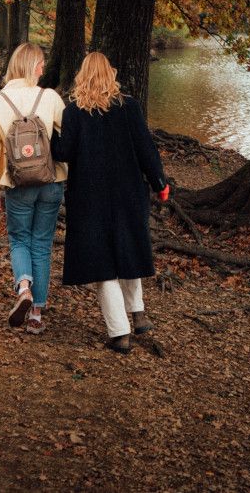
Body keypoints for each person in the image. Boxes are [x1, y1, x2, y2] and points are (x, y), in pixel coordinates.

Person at [51, 51, 169, 353]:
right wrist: (160, 183)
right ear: (110, 74)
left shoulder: (74, 111)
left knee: (102, 262)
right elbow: (146, 149)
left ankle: (120, 333)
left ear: (82, 75)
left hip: (90, 199)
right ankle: (138, 314)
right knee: (128, 249)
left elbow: (63, 153)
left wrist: (50, 135)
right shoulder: (128, 107)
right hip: (128, 193)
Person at [0, 42, 66, 334]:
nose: (43, 68)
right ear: (33, 66)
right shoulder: (50, 97)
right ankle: (37, 314)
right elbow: (69, 138)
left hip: (17, 183)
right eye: (41, 63)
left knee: (19, 239)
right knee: (42, 243)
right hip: (51, 182)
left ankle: (23, 287)